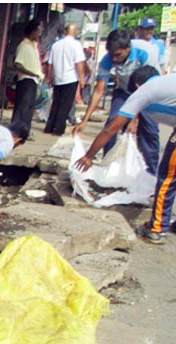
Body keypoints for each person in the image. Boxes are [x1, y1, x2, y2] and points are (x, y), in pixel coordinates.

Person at [74, 66, 176, 245]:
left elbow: (111, 128)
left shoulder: (145, 90)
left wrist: (88, 156)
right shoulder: (166, 84)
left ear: (137, 85)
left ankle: (157, 229)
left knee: (168, 177)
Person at [72, 29, 160, 176]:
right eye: (112, 55)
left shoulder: (144, 53)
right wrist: (85, 120)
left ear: (128, 48)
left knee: (149, 131)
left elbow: (147, 88)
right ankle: (107, 166)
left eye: (118, 55)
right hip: (124, 91)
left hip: (149, 94)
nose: (114, 59)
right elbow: (99, 90)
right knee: (112, 123)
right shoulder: (107, 60)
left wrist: (133, 120)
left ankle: (151, 174)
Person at [43, 24, 85, 136]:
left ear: (65, 32)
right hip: (70, 78)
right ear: (75, 32)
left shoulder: (56, 45)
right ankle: (59, 128)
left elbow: (50, 63)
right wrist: (82, 77)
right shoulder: (76, 45)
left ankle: (49, 126)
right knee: (65, 105)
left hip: (57, 78)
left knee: (56, 103)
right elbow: (79, 63)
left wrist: (49, 77)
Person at [10, 19, 44, 142]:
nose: (40, 33)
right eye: (39, 30)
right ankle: (16, 133)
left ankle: (24, 133)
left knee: (29, 109)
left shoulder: (34, 45)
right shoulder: (23, 45)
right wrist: (31, 73)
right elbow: (18, 64)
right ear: (33, 30)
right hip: (26, 80)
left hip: (34, 80)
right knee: (22, 108)